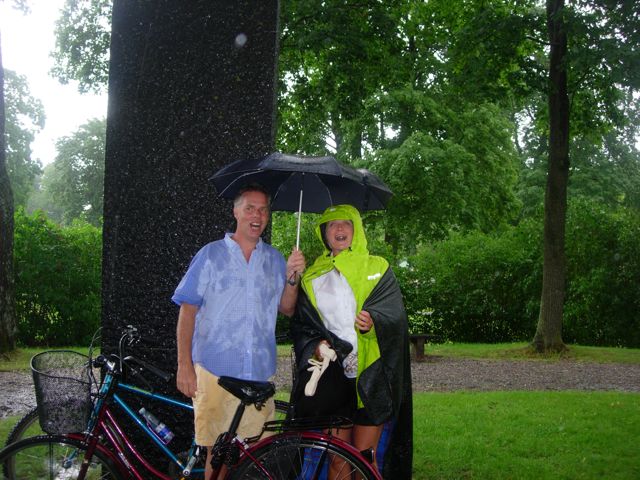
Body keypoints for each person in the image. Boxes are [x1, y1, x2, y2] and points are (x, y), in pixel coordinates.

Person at [172, 184, 305, 479]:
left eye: (263, 210)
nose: (257, 215)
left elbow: (287, 308)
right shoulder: (210, 255)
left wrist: (293, 279)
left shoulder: (274, 260)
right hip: (214, 372)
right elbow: (187, 310)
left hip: (256, 374)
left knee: (246, 457)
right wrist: (184, 365)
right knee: (215, 456)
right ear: (235, 211)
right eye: (250, 208)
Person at [291, 204, 413, 479]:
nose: (340, 228)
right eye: (332, 224)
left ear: (356, 229)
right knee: (337, 458)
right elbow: (302, 326)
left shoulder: (377, 267)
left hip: (372, 374)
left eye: (347, 223)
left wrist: (373, 323)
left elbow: (395, 317)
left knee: (365, 460)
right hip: (333, 378)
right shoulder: (312, 276)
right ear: (324, 233)